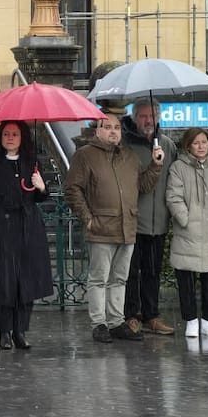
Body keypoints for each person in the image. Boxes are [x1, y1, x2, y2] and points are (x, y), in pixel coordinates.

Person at [64, 108, 163, 344]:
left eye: (116, 127)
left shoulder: (129, 156)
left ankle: (116, 321)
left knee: (120, 278)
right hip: (100, 227)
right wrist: (87, 217)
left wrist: (156, 165)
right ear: (97, 130)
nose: (112, 132)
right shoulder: (85, 155)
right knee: (99, 278)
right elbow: (72, 189)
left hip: (127, 226)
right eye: (107, 127)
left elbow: (143, 186)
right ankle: (99, 323)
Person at [0, 120, 50, 350]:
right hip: (0, 232)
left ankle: (20, 331)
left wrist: (41, 187)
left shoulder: (31, 163)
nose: (10, 138)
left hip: (27, 231)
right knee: (2, 283)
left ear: (22, 137)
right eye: (6, 134)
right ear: (0, 137)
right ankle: (4, 332)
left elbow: (41, 197)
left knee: (26, 282)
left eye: (15, 134)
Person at [121, 98, 177, 336]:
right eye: (143, 116)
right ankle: (132, 315)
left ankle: (151, 315)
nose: (148, 121)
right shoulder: (125, 145)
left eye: (152, 116)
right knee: (131, 272)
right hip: (134, 219)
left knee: (153, 271)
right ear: (135, 118)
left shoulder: (167, 144)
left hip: (159, 221)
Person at [166, 127, 208, 339]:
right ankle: (191, 320)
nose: (200, 146)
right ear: (187, 145)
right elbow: (174, 197)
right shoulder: (178, 167)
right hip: (188, 231)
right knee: (186, 279)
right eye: (195, 143)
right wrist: (186, 219)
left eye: (204, 142)